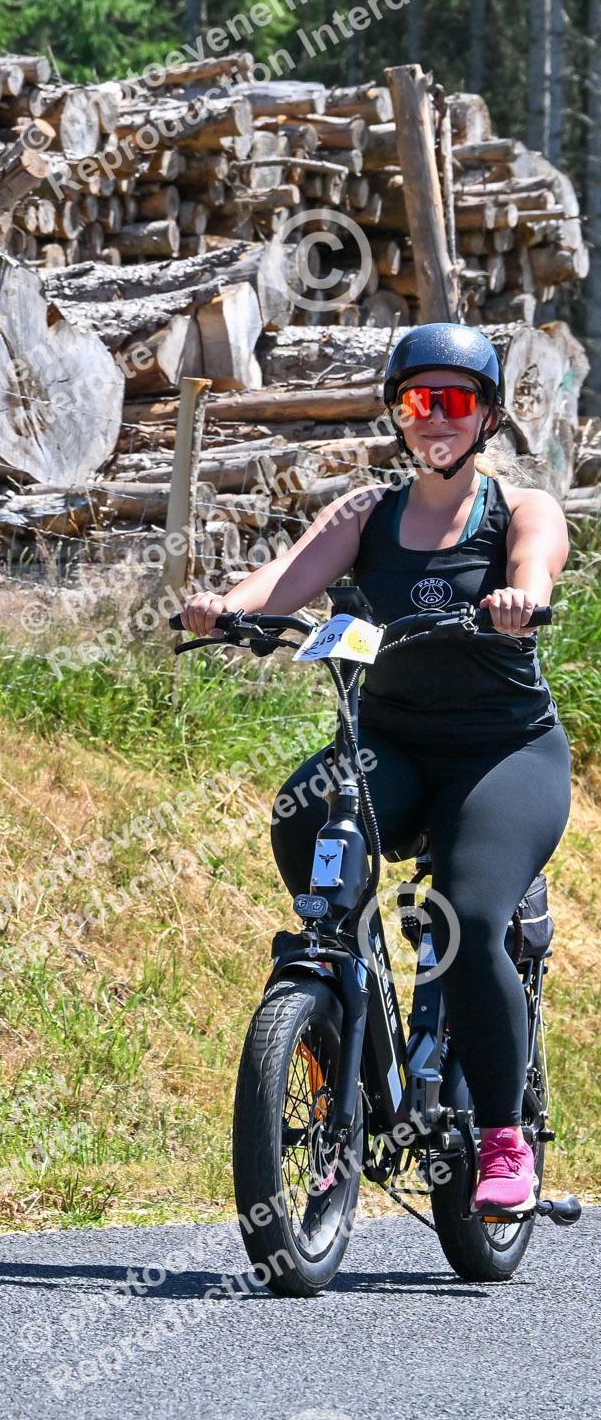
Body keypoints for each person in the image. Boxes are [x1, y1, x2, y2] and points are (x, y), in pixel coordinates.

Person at [181, 322, 570, 1214]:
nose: (436, 417)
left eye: (456, 401)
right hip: (389, 744)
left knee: (471, 918)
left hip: (504, 752)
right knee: (299, 816)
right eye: (418, 400)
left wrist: (522, 598)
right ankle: (347, 999)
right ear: (397, 413)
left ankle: (503, 1138)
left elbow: (536, 562)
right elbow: (285, 580)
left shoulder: (520, 508)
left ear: (487, 415)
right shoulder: (366, 513)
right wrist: (225, 609)